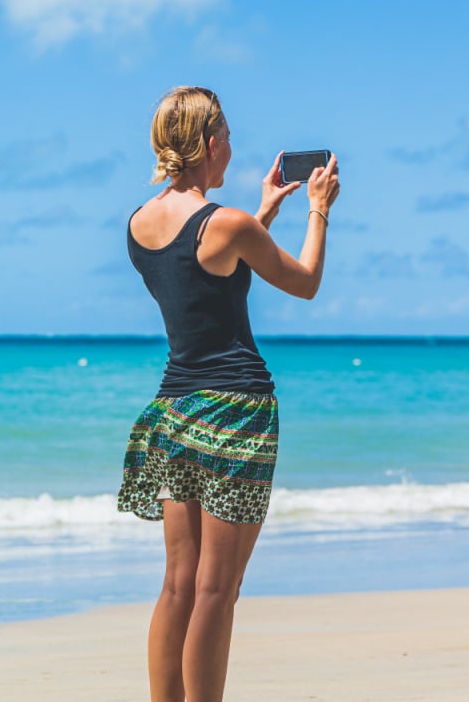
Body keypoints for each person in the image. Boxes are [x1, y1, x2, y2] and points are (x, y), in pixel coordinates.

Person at [117, 86, 339, 702]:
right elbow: (305, 282)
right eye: (230, 139)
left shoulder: (139, 225)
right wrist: (317, 208)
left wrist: (263, 210)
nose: (234, 152)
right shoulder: (230, 225)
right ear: (211, 145)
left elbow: (208, 277)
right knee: (217, 590)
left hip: (173, 411)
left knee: (179, 586)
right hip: (236, 414)